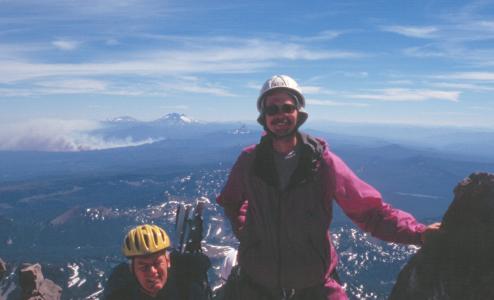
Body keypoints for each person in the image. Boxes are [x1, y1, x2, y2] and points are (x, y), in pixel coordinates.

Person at [216, 75, 441, 300]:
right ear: (263, 117)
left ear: (299, 113)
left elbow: (370, 211)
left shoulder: (322, 163)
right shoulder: (250, 161)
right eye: (272, 110)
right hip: (256, 287)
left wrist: (418, 233)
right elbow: (231, 201)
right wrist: (248, 233)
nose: (280, 115)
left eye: (287, 107)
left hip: (313, 289)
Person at [104, 224, 212, 300]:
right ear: (132, 270)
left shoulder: (187, 283)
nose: (152, 272)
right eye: (143, 267)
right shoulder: (119, 292)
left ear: (168, 261)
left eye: (157, 263)